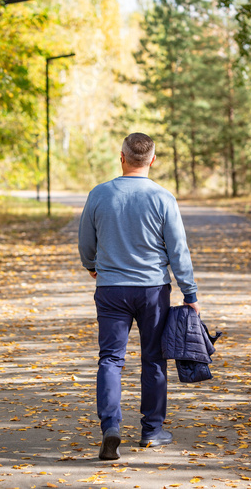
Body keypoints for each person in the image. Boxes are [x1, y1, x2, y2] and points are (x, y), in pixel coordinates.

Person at [78, 132, 200, 460]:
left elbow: (86, 243)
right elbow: (178, 250)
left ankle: (111, 427)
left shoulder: (99, 194)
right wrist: (190, 293)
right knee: (154, 359)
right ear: (152, 161)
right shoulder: (163, 198)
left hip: (111, 290)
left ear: (121, 157)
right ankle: (152, 431)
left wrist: (92, 265)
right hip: (152, 291)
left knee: (111, 359)